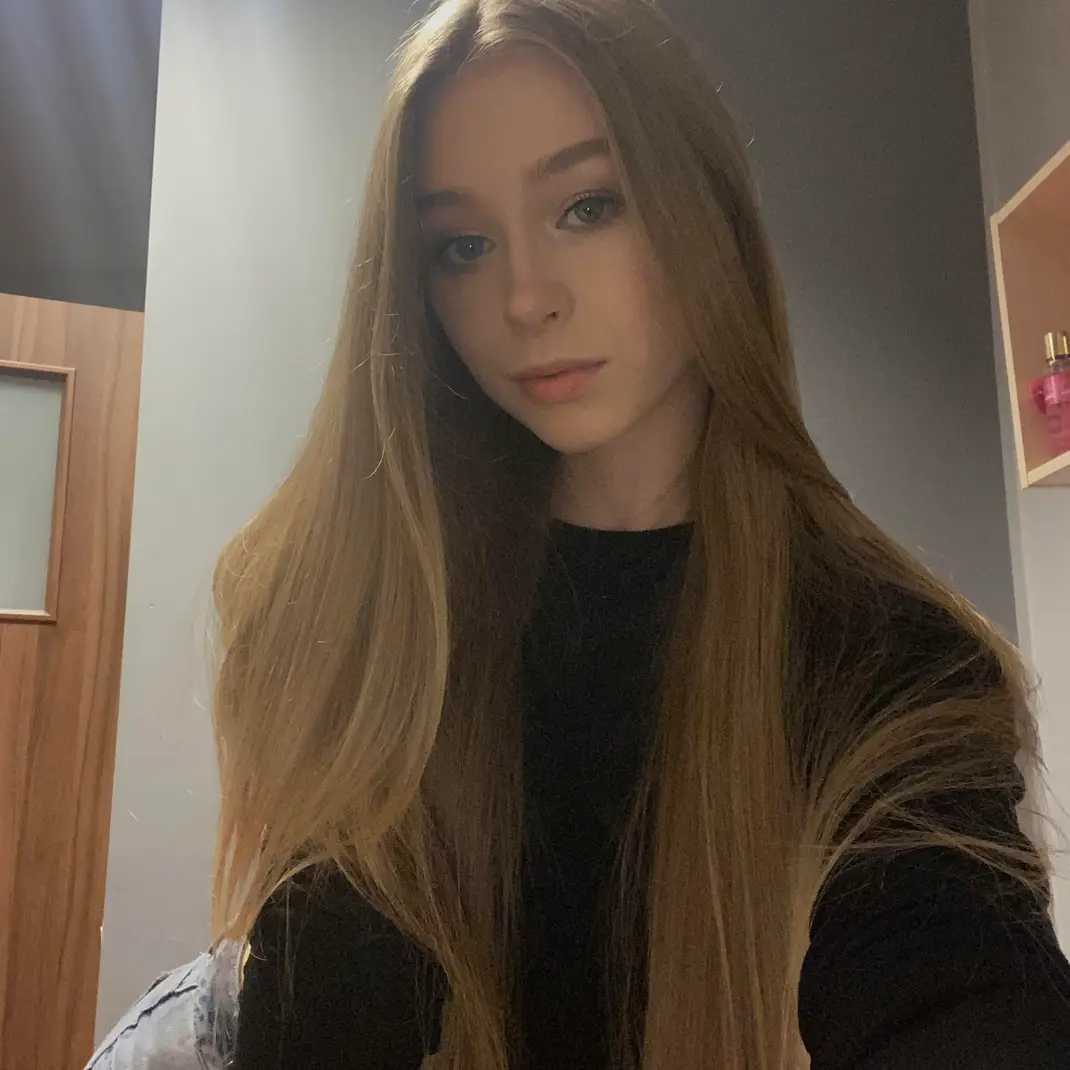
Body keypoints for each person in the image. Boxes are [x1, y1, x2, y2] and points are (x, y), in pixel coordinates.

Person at [89, 1, 1070, 1068]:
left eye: (587, 206)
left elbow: (953, 972)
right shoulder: (381, 628)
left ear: (704, 210)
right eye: (463, 244)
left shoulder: (894, 659)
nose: (525, 297)